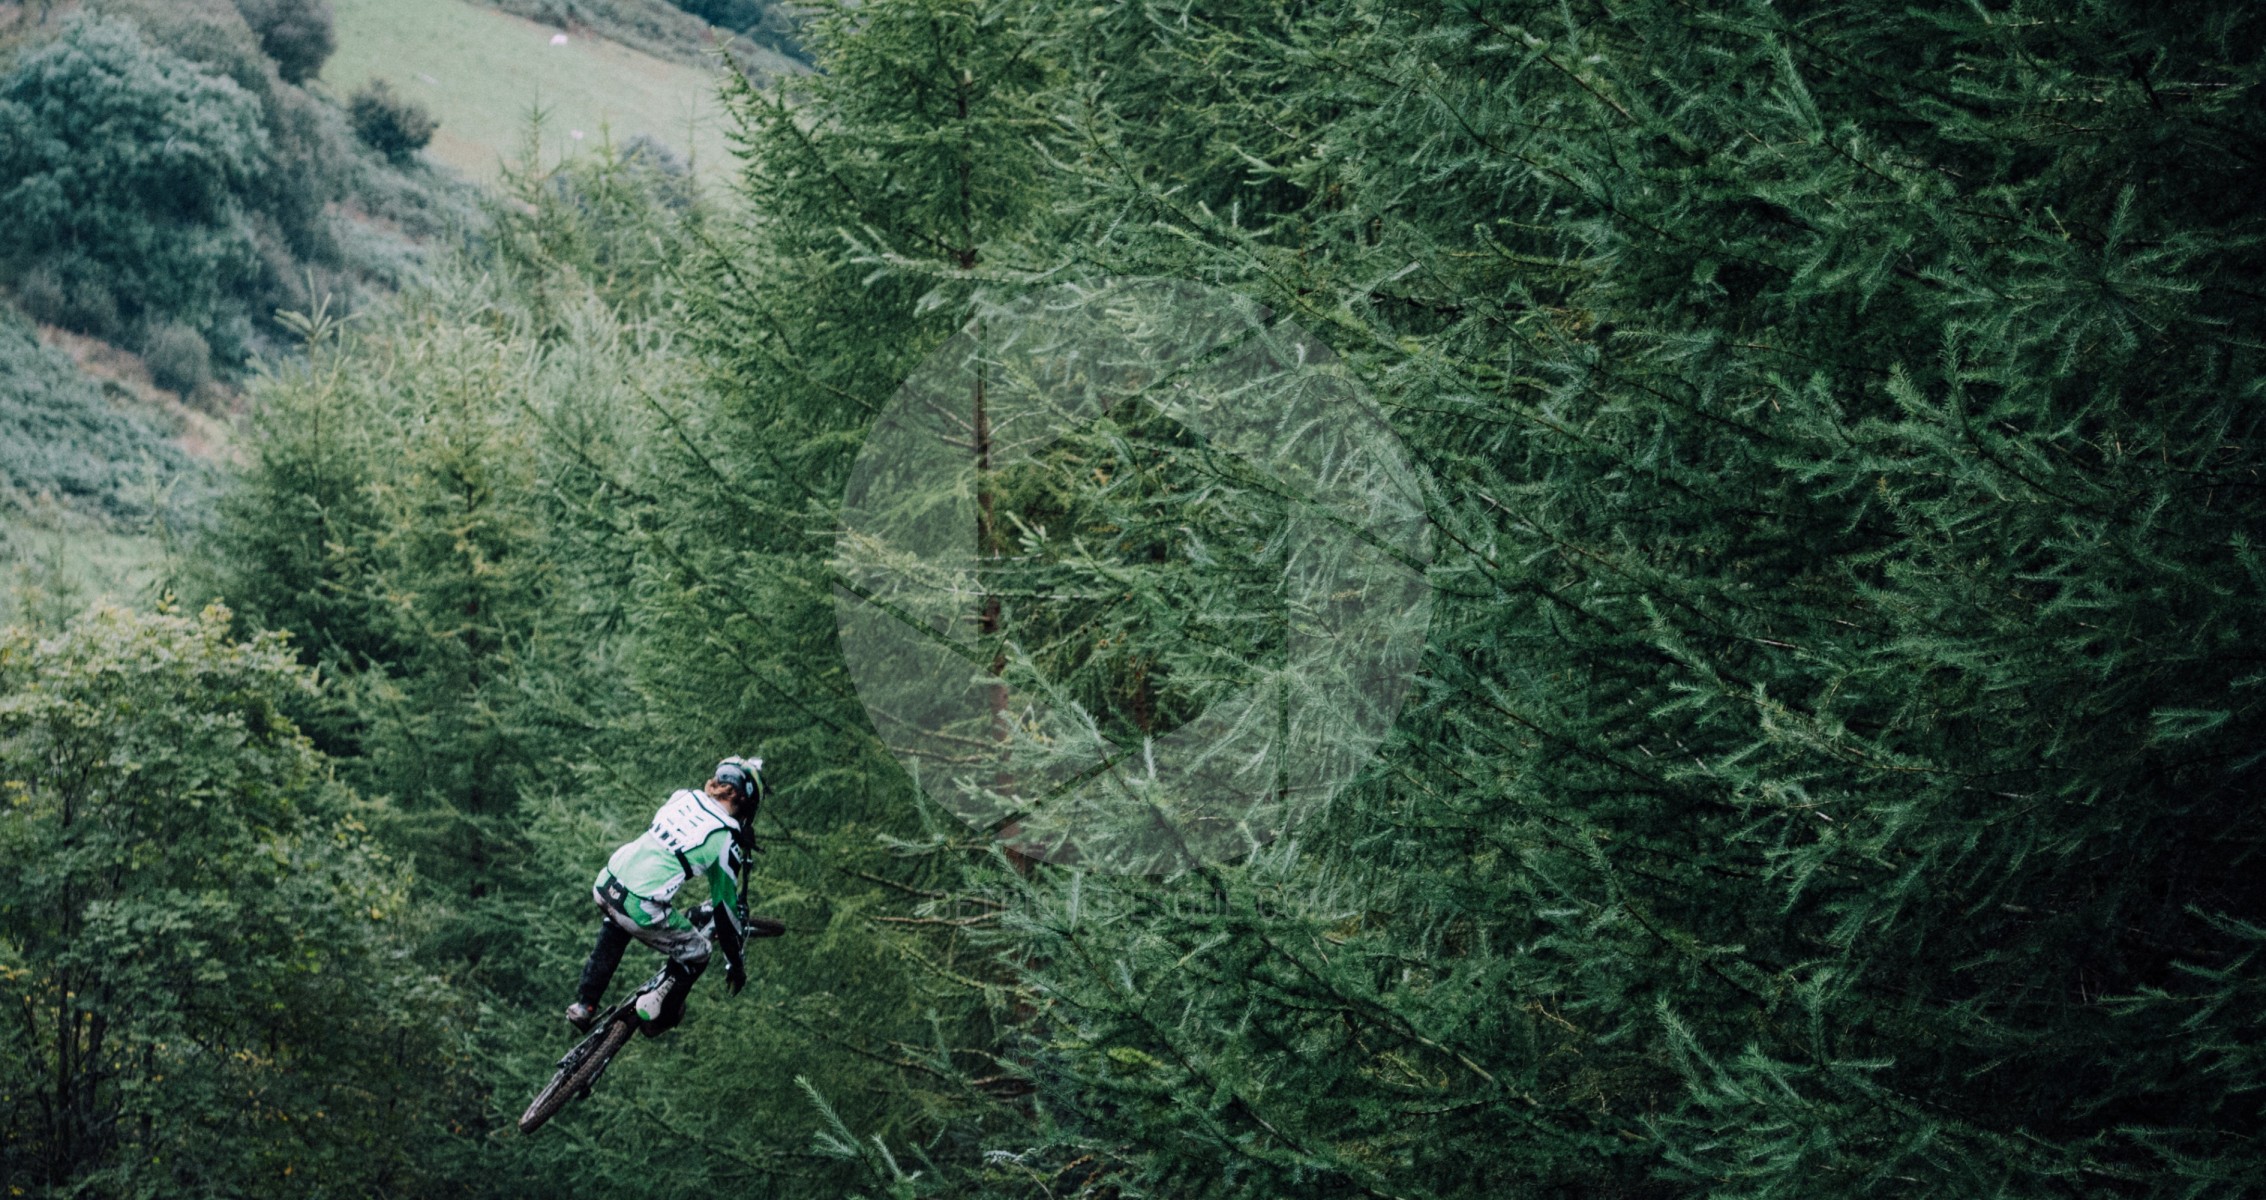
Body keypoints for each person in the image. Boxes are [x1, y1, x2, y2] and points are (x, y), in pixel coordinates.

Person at [565, 756, 765, 1034]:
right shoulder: (725, 838)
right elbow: (725, 910)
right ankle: (656, 1019)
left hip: (607, 882)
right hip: (641, 907)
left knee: (616, 922)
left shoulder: (682, 797)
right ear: (746, 801)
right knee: (699, 953)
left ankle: (585, 1005)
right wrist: (735, 963)